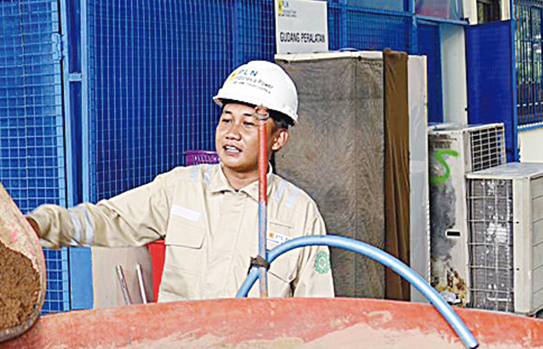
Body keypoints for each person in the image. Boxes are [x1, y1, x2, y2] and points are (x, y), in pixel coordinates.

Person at [28, 61, 333, 301]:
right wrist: (41, 226)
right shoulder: (182, 188)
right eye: (226, 119)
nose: (232, 133)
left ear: (278, 139)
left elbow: (317, 308)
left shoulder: (299, 214)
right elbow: (111, 219)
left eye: (248, 123)